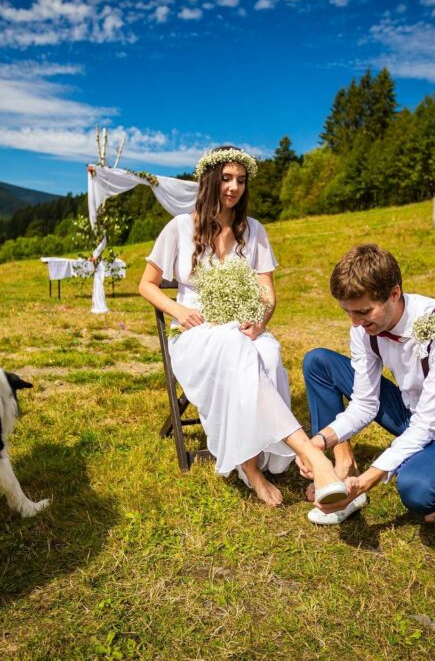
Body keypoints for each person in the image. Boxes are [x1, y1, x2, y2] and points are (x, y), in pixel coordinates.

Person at [138, 146, 347, 508]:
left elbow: (267, 293)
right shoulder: (179, 228)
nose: (233, 187)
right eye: (226, 179)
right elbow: (146, 284)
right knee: (236, 349)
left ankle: (262, 452)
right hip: (195, 335)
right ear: (209, 180)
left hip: (242, 325)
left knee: (269, 349)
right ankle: (270, 465)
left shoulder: (254, 232)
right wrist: (178, 310)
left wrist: (260, 320)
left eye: (240, 180)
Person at [301, 244, 435, 524]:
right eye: (348, 312)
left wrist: (364, 483)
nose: (355, 323)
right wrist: (319, 442)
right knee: (318, 362)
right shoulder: (364, 328)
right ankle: (341, 465)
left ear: (394, 293)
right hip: (410, 410)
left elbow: (429, 422)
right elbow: (365, 404)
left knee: (417, 490)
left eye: (363, 312)